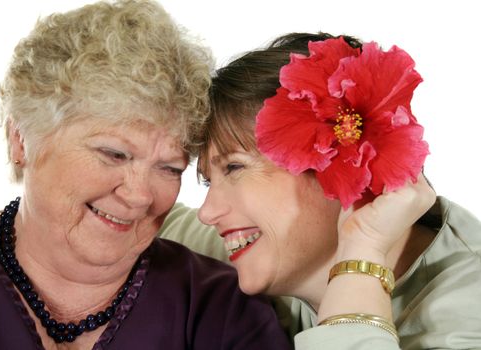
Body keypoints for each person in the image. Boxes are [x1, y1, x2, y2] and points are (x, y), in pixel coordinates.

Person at [0, 1, 292, 349]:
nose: (140, 196)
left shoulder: (221, 308)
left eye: (169, 168)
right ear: (21, 140)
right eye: (113, 154)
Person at [159, 32, 481, 349]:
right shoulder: (283, 248)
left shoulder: (468, 321)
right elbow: (146, 220)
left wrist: (363, 250)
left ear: (345, 162)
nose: (207, 212)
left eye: (234, 167)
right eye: (207, 181)